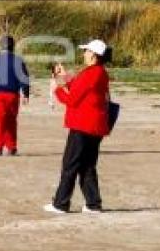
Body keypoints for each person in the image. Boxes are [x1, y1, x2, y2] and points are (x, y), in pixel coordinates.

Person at [44, 39, 112, 214]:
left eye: (87, 51)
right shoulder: (98, 72)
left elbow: (72, 99)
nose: (84, 54)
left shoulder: (92, 73)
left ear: (94, 56)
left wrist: (56, 89)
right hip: (94, 126)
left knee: (71, 164)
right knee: (87, 165)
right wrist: (64, 77)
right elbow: (78, 88)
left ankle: (61, 203)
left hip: (83, 125)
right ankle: (93, 203)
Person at [0, 35, 30, 156]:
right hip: (13, 95)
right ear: (12, 46)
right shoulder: (18, 61)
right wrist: (26, 93)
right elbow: (24, 78)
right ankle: (11, 146)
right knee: (11, 120)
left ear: (1, 46)